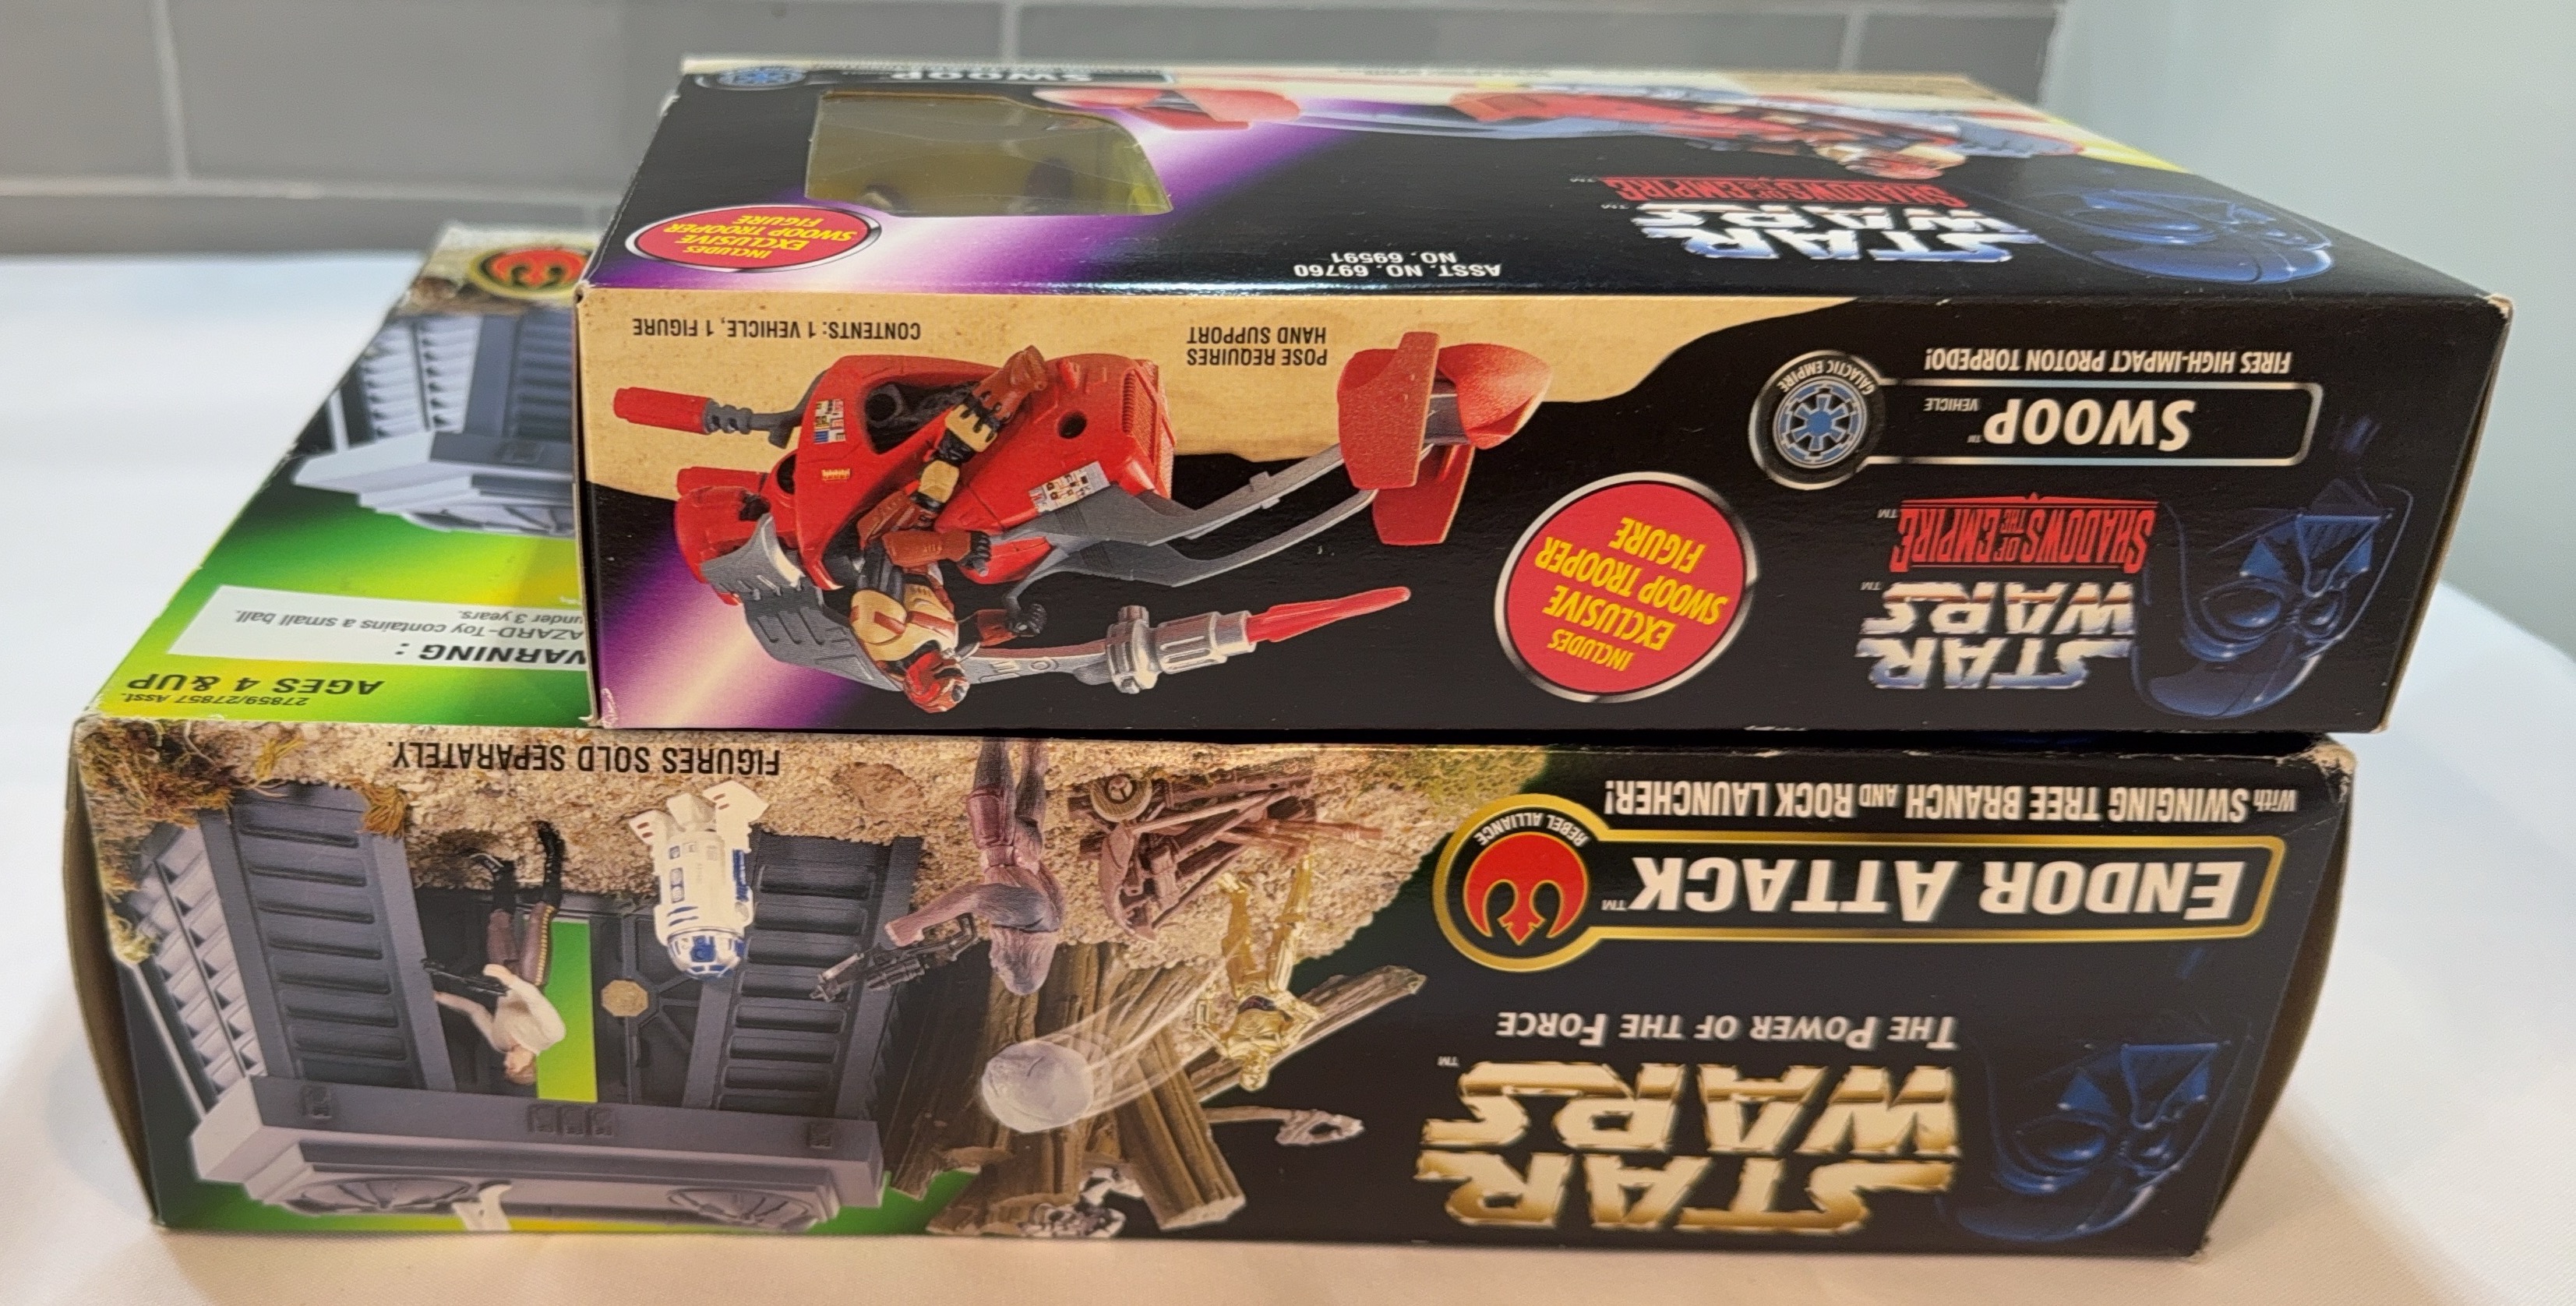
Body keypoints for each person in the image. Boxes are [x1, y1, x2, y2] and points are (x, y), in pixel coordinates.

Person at [431, 823, 568, 1085]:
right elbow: (536, 1001)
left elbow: (476, 1011)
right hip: (529, 978)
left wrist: (439, 997)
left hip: (503, 982)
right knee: (539, 917)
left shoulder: (499, 1043)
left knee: (498, 922)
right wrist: (511, 980)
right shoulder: (551, 1036)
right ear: (526, 1067)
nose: (506, 1061)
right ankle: (554, 855)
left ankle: (502, 874)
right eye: (511, 1066)